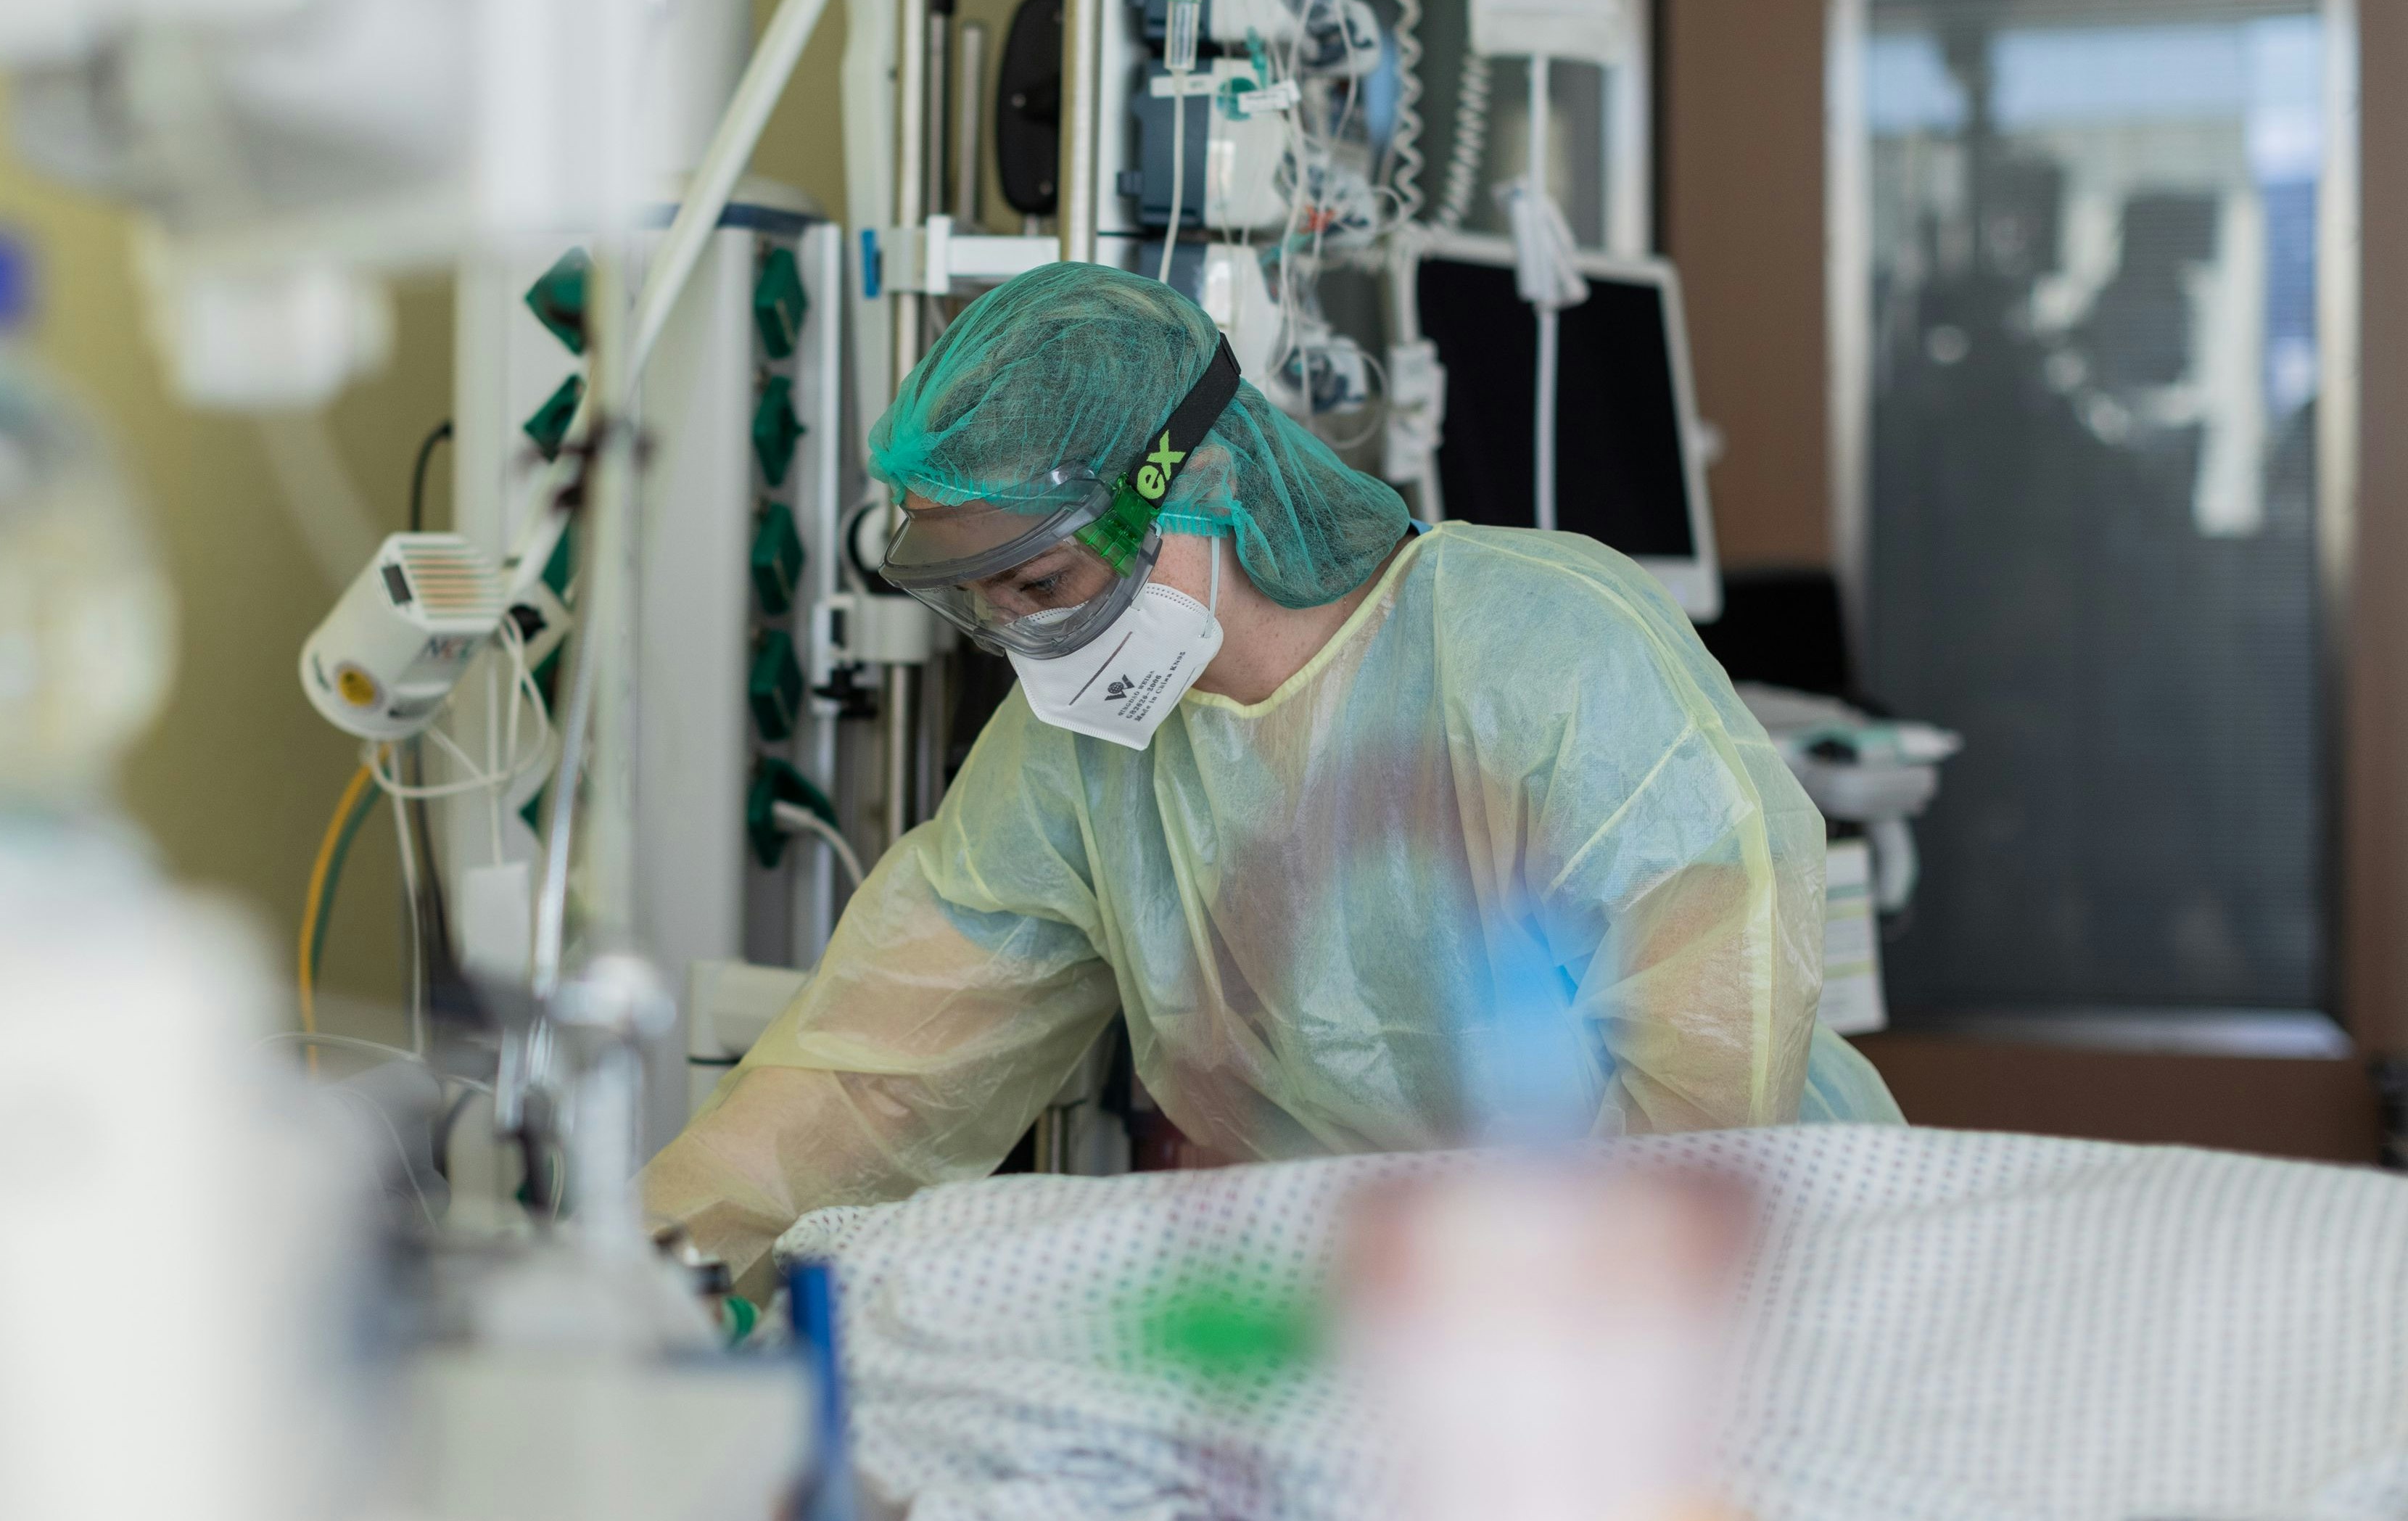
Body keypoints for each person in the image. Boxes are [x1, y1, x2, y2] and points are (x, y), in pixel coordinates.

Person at [642, 263, 1900, 1285]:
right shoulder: (1076, 758)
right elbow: (875, 1075)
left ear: (1198, 481)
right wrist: (655, 1273)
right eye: (986, 606)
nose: (1026, 639)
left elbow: (1705, 1085)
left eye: (1044, 585)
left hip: (1745, 1290)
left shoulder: (1539, 651)